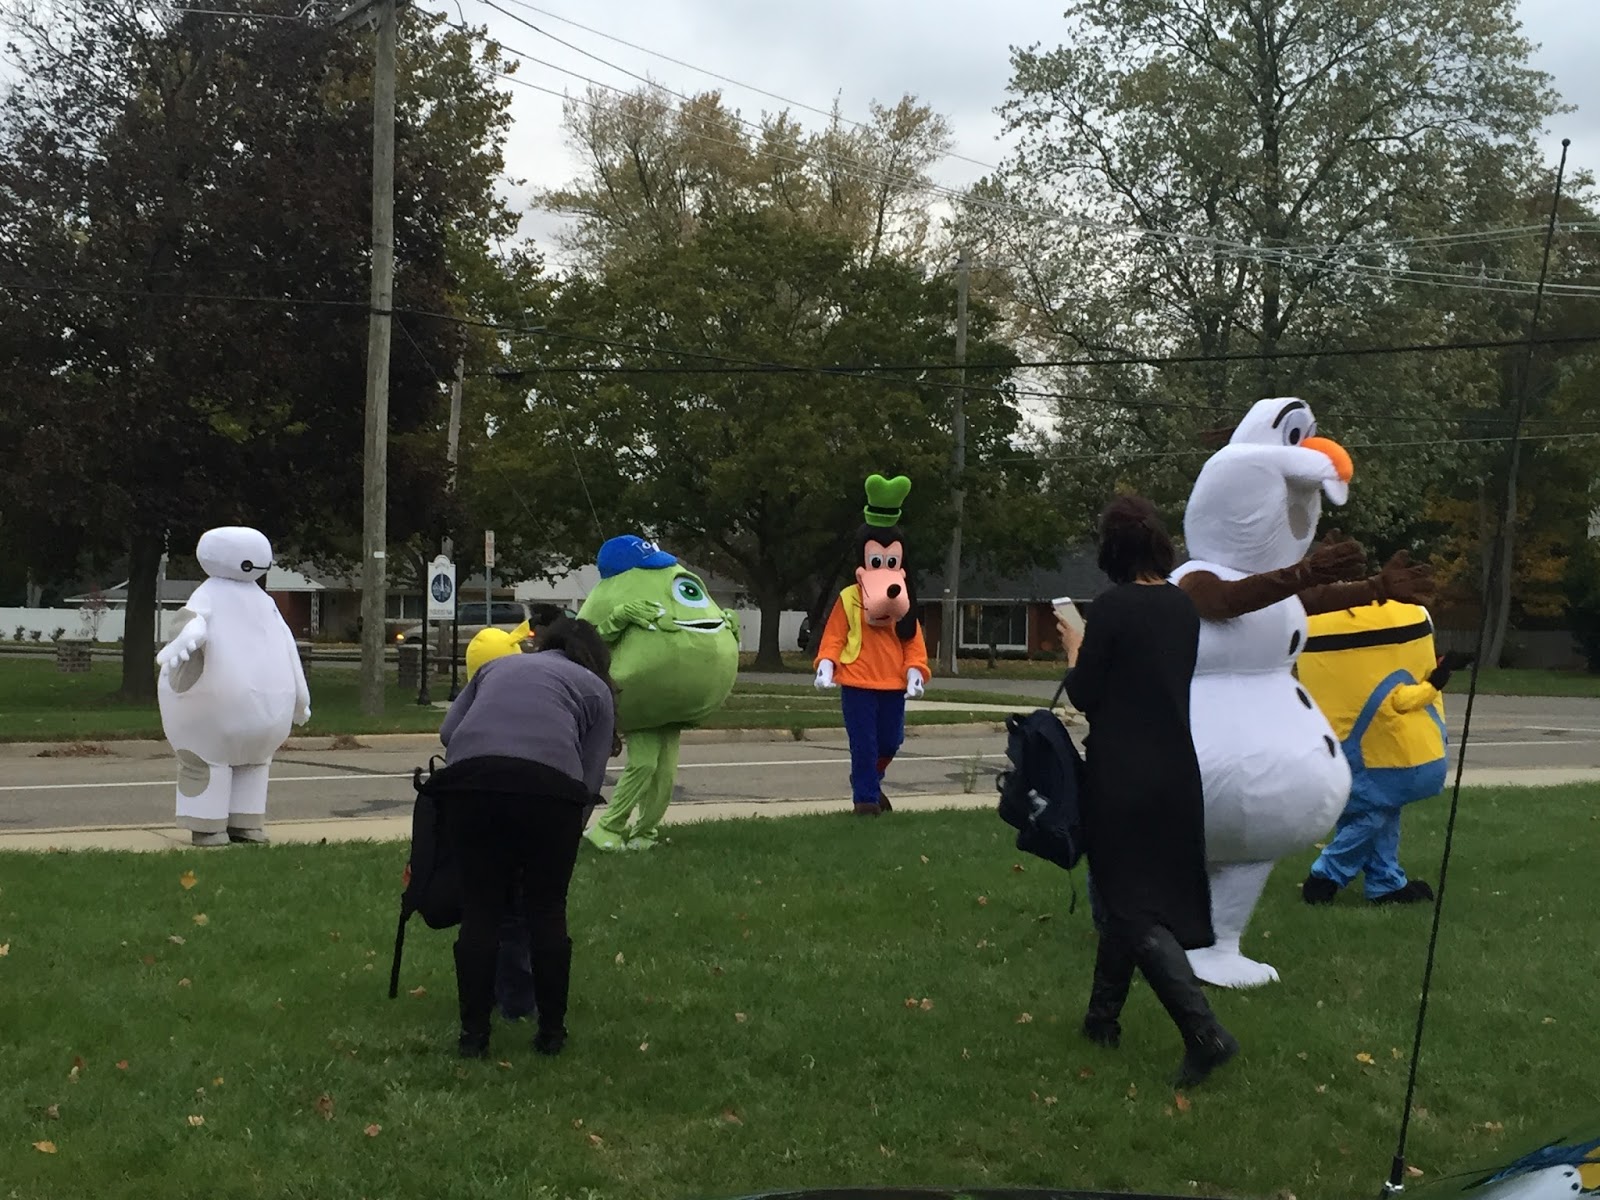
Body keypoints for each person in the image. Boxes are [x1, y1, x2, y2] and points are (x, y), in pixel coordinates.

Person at [1057, 495, 1239, 1088]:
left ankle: (1204, 1032)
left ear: (1112, 550)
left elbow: (1086, 694)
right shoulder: (1182, 608)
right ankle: (1100, 1020)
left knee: (1131, 906)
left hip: (1122, 776)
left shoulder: (1113, 607)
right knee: (1126, 897)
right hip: (1176, 773)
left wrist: (1075, 649)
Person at [433, 616, 617, 1059]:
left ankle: (473, 1037)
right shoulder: (594, 689)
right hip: (550, 792)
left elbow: (448, 733)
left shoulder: (495, 668)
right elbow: (590, 776)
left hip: (469, 784)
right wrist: (566, 833)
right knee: (546, 909)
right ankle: (550, 1034)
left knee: (481, 910)